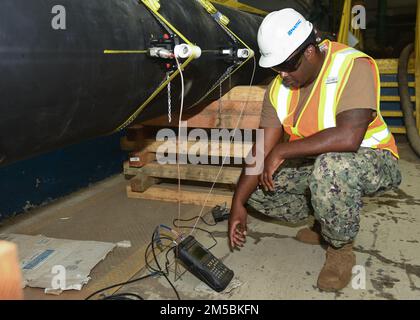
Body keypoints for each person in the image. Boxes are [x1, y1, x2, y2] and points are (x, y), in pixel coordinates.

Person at [228, 8, 402, 292]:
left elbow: (349, 137)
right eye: (275, 68)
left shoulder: (351, 65)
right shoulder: (278, 90)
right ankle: (325, 223)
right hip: (319, 160)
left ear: (309, 51)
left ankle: (340, 248)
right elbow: (260, 151)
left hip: (374, 158)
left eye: (287, 65)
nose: (282, 74)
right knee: (256, 190)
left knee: (331, 169)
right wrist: (238, 204)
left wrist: (282, 151)